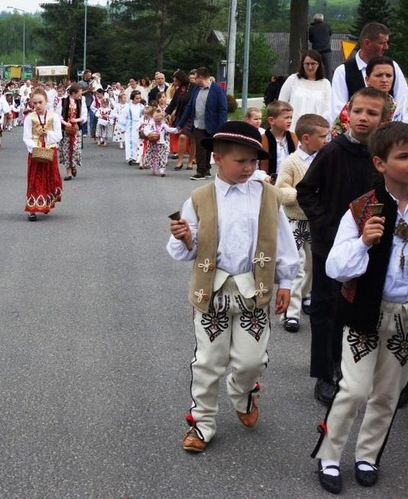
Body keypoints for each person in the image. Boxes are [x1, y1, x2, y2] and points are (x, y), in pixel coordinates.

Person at [167, 121, 299, 453]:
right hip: (211, 292)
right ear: (218, 158)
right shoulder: (200, 198)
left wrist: (286, 284)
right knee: (208, 361)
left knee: (251, 361)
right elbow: (188, 250)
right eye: (241, 161)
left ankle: (242, 393)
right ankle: (202, 423)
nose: (249, 168)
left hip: (254, 291)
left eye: (254, 161)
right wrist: (185, 239)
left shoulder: (267, 196)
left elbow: (284, 242)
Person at [311, 121, 408, 494]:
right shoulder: (362, 207)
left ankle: (368, 455)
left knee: (388, 393)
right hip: (365, 313)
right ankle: (330, 455)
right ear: (380, 163)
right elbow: (335, 268)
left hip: (406, 317)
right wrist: (364, 244)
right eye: (404, 156)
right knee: (353, 390)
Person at [296, 87, 389, 406]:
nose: (364, 118)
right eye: (359, 111)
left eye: (372, 113)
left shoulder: (382, 156)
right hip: (330, 247)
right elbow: (305, 191)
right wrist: (325, 226)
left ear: (383, 117)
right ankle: (325, 373)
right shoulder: (333, 151)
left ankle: (359, 368)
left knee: (363, 306)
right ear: (348, 111)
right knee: (326, 309)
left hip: (370, 246)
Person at [274, 114, 330, 333]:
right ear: (306, 138)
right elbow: (280, 189)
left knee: (311, 266)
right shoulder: (292, 162)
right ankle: (291, 312)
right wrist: (302, 194)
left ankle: (306, 295)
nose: (326, 140)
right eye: (322, 137)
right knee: (297, 265)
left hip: (314, 221)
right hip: (295, 220)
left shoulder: (323, 158)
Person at [331, 22, 407, 122]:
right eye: (382, 43)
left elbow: (404, 102)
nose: (386, 47)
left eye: (388, 76)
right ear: (367, 43)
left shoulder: (393, 67)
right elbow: (338, 110)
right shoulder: (343, 71)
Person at [176, 67, 228, 180]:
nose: (194, 80)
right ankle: (200, 171)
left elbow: (223, 109)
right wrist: (180, 124)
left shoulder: (217, 89)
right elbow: (190, 107)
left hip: (212, 124)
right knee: (200, 147)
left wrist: (222, 127)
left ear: (201, 77)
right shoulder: (196, 89)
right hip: (198, 123)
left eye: (195, 78)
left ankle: (206, 169)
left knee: (209, 147)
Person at [332, 56, 398, 138]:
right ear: (367, 80)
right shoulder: (353, 105)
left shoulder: (399, 109)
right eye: (379, 75)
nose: (384, 80)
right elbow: (337, 134)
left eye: (388, 75)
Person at [23, 88, 63, 221]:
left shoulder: (54, 116)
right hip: (35, 152)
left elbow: (59, 135)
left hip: (50, 151)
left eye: (40, 102)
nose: (38, 106)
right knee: (34, 180)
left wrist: (48, 135)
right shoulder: (30, 118)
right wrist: (35, 148)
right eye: (35, 103)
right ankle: (32, 209)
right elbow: (26, 137)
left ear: (46, 101)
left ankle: (45, 203)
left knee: (49, 178)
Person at [278, 50, 332, 131]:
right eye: (307, 64)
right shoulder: (293, 79)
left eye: (313, 63)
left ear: (319, 65)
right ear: (302, 64)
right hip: (293, 129)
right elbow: (281, 103)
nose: (310, 67)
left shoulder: (325, 84)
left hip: (315, 130)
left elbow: (327, 110)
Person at [166, 69, 197, 170]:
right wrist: (165, 113)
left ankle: (190, 161)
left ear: (181, 79)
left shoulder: (194, 87)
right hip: (181, 116)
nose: (174, 83)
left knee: (192, 139)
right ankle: (180, 160)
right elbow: (173, 103)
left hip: (192, 116)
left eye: (176, 80)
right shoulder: (178, 90)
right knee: (182, 137)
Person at [259, 100, 297, 179]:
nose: (289, 121)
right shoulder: (262, 140)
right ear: (272, 120)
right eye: (286, 118)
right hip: (269, 183)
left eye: (291, 117)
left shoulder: (294, 138)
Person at [59, 84, 87, 181]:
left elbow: (84, 115)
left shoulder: (81, 102)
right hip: (66, 130)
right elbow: (58, 115)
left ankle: (74, 166)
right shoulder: (63, 101)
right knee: (66, 150)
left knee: (75, 150)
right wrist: (66, 123)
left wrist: (77, 120)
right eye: (79, 93)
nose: (80, 95)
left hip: (76, 130)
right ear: (73, 93)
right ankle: (68, 172)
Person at [142, 108, 175, 176]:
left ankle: (162, 170)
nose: (158, 122)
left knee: (161, 157)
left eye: (159, 121)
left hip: (161, 144)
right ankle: (153, 169)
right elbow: (146, 129)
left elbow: (169, 129)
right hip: (152, 144)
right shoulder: (151, 125)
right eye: (156, 121)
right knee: (153, 156)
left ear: (162, 120)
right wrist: (150, 134)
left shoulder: (163, 125)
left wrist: (177, 129)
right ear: (154, 119)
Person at [309, 13, 333, 78]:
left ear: (315, 20)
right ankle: (329, 85)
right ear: (322, 19)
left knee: (316, 70)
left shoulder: (312, 29)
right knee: (328, 71)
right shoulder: (327, 26)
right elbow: (330, 34)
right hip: (327, 51)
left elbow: (310, 39)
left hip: (316, 52)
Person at [124, 90, 145, 165]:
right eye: (137, 98)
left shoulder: (142, 106)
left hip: (139, 124)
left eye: (139, 98)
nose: (138, 100)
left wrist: (143, 123)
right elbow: (124, 116)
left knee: (138, 141)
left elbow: (144, 116)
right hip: (130, 125)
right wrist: (123, 127)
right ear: (133, 98)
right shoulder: (127, 106)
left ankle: (137, 157)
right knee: (129, 141)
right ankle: (130, 157)